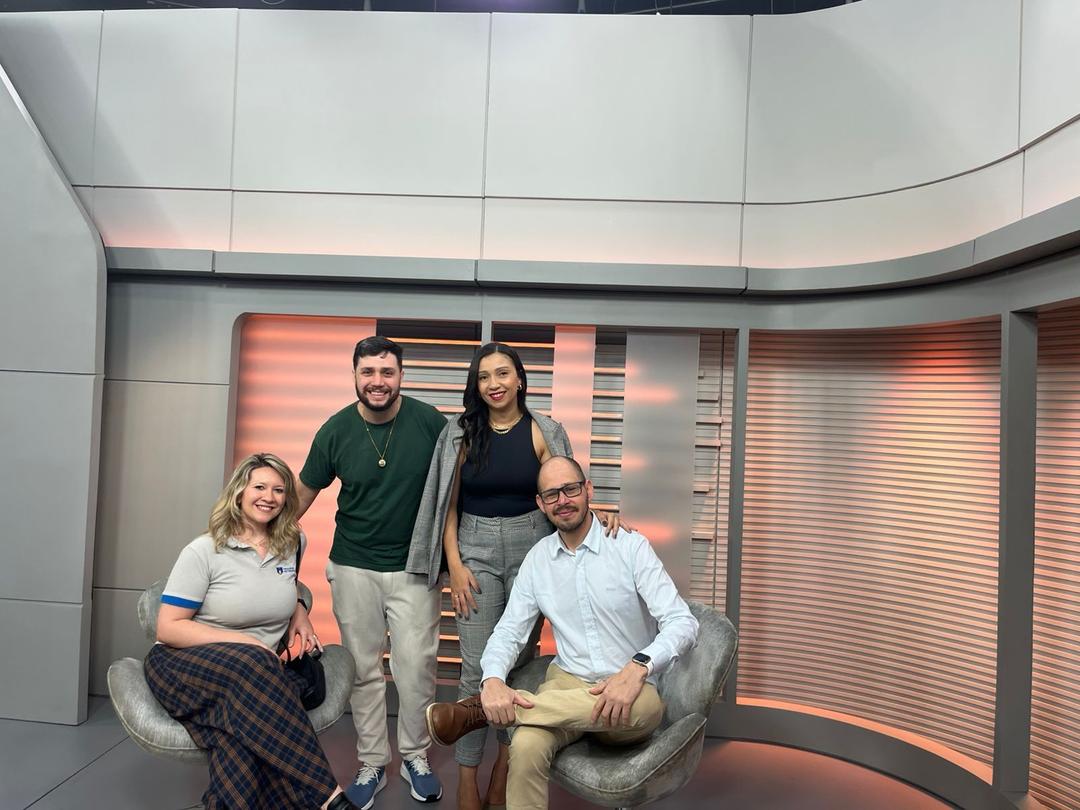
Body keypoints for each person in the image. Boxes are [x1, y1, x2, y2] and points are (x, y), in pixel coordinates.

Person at [424, 456, 699, 810]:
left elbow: (682, 622)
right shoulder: (538, 560)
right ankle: (496, 707)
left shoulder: (629, 546)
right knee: (525, 746)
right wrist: (491, 680)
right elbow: (509, 631)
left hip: (628, 690)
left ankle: (479, 713)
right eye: (552, 494)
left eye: (570, 489)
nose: (563, 500)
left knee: (646, 708)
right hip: (567, 684)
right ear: (540, 504)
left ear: (588, 490)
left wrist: (637, 668)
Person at [146, 452, 361, 810]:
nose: (269, 497)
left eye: (279, 490)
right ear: (239, 492)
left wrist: (299, 608)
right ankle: (328, 796)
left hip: (255, 677)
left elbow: (279, 586)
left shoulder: (293, 542)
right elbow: (168, 628)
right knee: (253, 667)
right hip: (184, 665)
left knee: (237, 738)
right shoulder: (205, 550)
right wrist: (244, 642)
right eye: (259, 487)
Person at [407, 342, 571, 810]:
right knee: (477, 670)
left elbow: (566, 495)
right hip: (473, 548)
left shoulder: (545, 430)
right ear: (475, 385)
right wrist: (455, 566)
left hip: (532, 548)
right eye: (483, 377)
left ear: (519, 379)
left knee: (517, 667)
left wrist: (607, 523)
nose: (493, 384)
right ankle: (466, 777)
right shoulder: (459, 432)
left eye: (502, 374)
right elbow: (447, 505)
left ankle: (504, 770)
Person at [297, 336, 448, 810]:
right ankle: (372, 762)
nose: (377, 381)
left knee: (416, 668)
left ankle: (415, 756)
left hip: (414, 568)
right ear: (355, 375)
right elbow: (301, 494)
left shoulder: (430, 423)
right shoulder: (336, 430)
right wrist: (254, 537)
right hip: (352, 564)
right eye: (368, 372)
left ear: (400, 375)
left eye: (387, 372)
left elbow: (459, 488)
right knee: (363, 670)